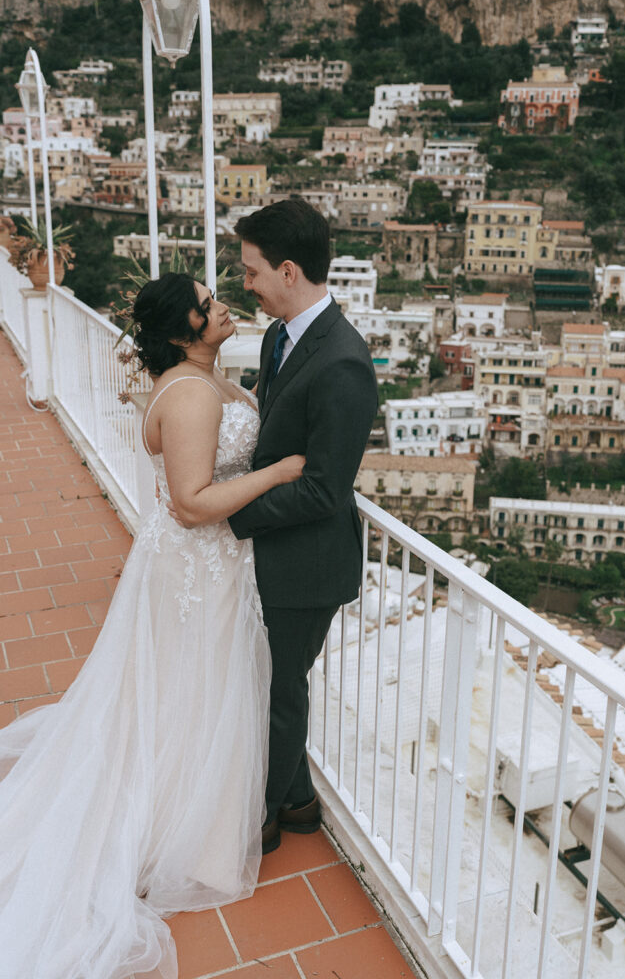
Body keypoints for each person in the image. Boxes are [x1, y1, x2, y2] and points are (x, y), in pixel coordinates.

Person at [0, 272, 303, 979]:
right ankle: (180, 827)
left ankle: (186, 801)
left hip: (196, 566)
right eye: (207, 306)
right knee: (193, 690)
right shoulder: (194, 393)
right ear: (180, 333)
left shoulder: (196, 379)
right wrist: (280, 470)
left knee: (181, 688)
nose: (221, 305)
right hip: (201, 562)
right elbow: (195, 503)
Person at [229, 198, 378, 853]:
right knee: (272, 680)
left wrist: (232, 511)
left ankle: (260, 822)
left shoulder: (344, 362)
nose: (246, 284)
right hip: (276, 549)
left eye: (252, 271)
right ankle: (297, 802)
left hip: (308, 562)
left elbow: (323, 489)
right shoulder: (277, 335)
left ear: (288, 271)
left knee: (280, 691)